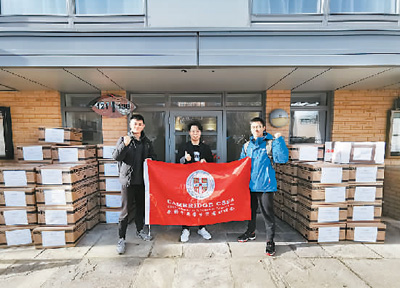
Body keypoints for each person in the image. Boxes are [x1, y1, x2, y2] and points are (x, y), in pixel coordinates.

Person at [238, 117, 288, 256]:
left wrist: (279, 141)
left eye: (259, 126)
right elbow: (241, 164)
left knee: (267, 215)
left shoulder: (270, 144)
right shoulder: (247, 146)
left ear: (264, 128)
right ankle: (251, 232)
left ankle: (270, 241)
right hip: (250, 185)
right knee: (250, 212)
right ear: (251, 129)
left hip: (266, 186)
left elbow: (282, 159)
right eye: (254, 127)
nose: (256, 129)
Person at [113, 114, 156, 254]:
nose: (137, 126)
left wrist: (151, 161)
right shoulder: (124, 140)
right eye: (134, 124)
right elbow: (116, 157)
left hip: (142, 182)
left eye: (139, 124)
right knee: (125, 211)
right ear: (130, 125)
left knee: (140, 208)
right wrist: (124, 146)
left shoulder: (147, 142)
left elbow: (154, 159)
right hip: (128, 181)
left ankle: (139, 230)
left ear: (143, 126)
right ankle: (121, 238)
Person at [176, 120, 214, 242]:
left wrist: (206, 163)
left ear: (200, 132)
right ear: (189, 133)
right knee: (187, 204)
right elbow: (177, 163)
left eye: (197, 131)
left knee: (202, 204)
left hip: (202, 182)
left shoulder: (206, 148)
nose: (195, 133)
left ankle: (201, 227)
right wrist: (184, 159)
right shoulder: (184, 147)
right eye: (193, 131)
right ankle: (185, 229)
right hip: (187, 181)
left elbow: (213, 165)